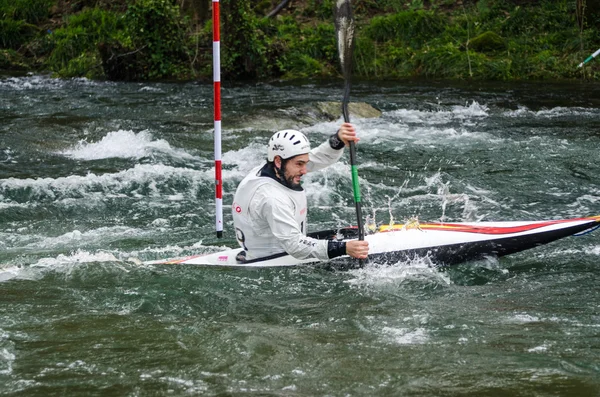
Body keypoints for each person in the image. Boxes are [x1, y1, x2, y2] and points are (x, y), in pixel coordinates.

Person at [231, 123, 369, 262]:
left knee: (350, 233)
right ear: (278, 161)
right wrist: (344, 248)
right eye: (299, 164)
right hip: (274, 257)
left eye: (305, 163)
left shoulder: (270, 168)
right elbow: (295, 245)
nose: (304, 170)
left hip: (278, 245)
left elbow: (316, 159)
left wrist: (337, 140)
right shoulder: (271, 198)